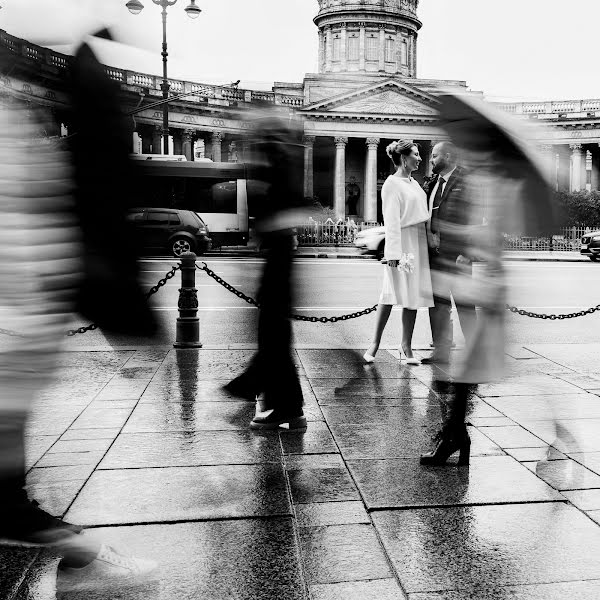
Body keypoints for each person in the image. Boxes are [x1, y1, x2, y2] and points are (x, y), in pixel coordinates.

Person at [225, 114, 307, 430]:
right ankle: (287, 407)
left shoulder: (280, 164)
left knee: (273, 335)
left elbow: (285, 213)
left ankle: (271, 396)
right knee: (275, 336)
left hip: (279, 261)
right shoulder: (282, 162)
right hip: (279, 259)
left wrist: (266, 229)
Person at [363, 140, 434, 365]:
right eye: (415, 154)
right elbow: (391, 221)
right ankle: (375, 343)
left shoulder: (414, 182)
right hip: (403, 244)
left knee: (412, 295)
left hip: (418, 242)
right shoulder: (391, 184)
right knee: (390, 293)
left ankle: (406, 346)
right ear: (404, 158)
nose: (420, 158)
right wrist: (393, 254)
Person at [421, 141, 476, 365]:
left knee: (464, 305)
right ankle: (442, 352)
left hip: (457, 254)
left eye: (434, 156)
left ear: (449, 156)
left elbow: (476, 218)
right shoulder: (433, 182)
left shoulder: (467, 180)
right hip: (434, 254)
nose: (431, 160)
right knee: (438, 305)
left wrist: (468, 252)